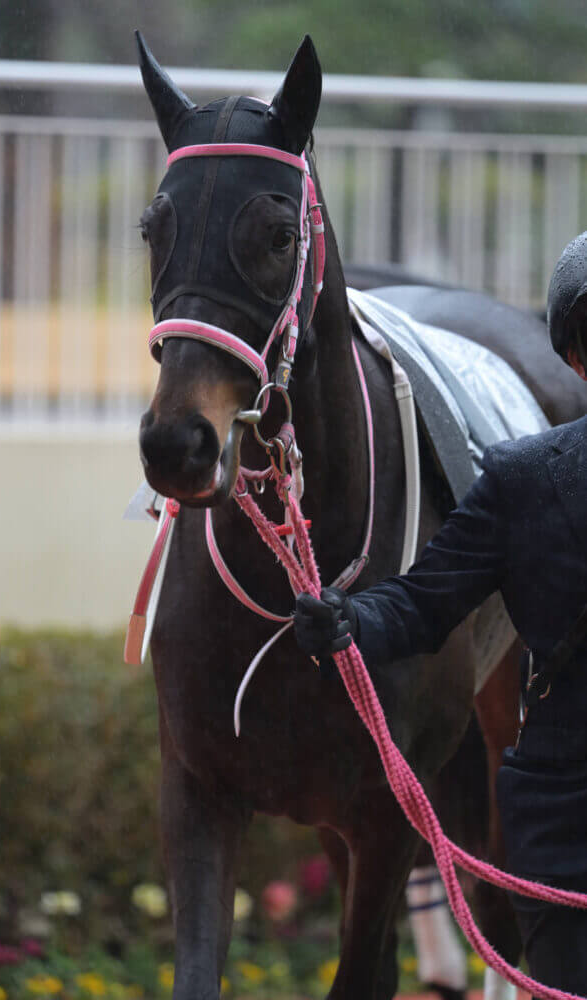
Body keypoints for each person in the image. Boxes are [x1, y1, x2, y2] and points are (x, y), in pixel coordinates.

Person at [294, 232, 587, 993]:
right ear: (579, 357)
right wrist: (350, 619)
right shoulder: (524, 483)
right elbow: (425, 601)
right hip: (568, 831)